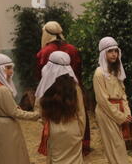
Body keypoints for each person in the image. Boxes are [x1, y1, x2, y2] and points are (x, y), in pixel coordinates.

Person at [36, 51, 91, 164]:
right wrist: (80, 133)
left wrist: (48, 126)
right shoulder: (74, 87)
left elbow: (40, 112)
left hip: (54, 130)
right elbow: (81, 114)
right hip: (72, 129)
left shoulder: (46, 85)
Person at [36, 21, 91, 156]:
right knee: (79, 113)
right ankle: (82, 143)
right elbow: (79, 70)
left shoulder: (44, 51)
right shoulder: (72, 49)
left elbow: (40, 75)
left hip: (52, 94)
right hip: (74, 90)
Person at [93, 37, 132, 164]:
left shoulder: (116, 71)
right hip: (106, 113)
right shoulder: (99, 73)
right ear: (104, 53)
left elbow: (123, 94)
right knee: (115, 147)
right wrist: (120, 116)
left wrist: (127, 113)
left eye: (116, 51)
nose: (114, 54)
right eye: (110, 51)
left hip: (118, 112)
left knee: (119, 147)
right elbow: (102, 100)